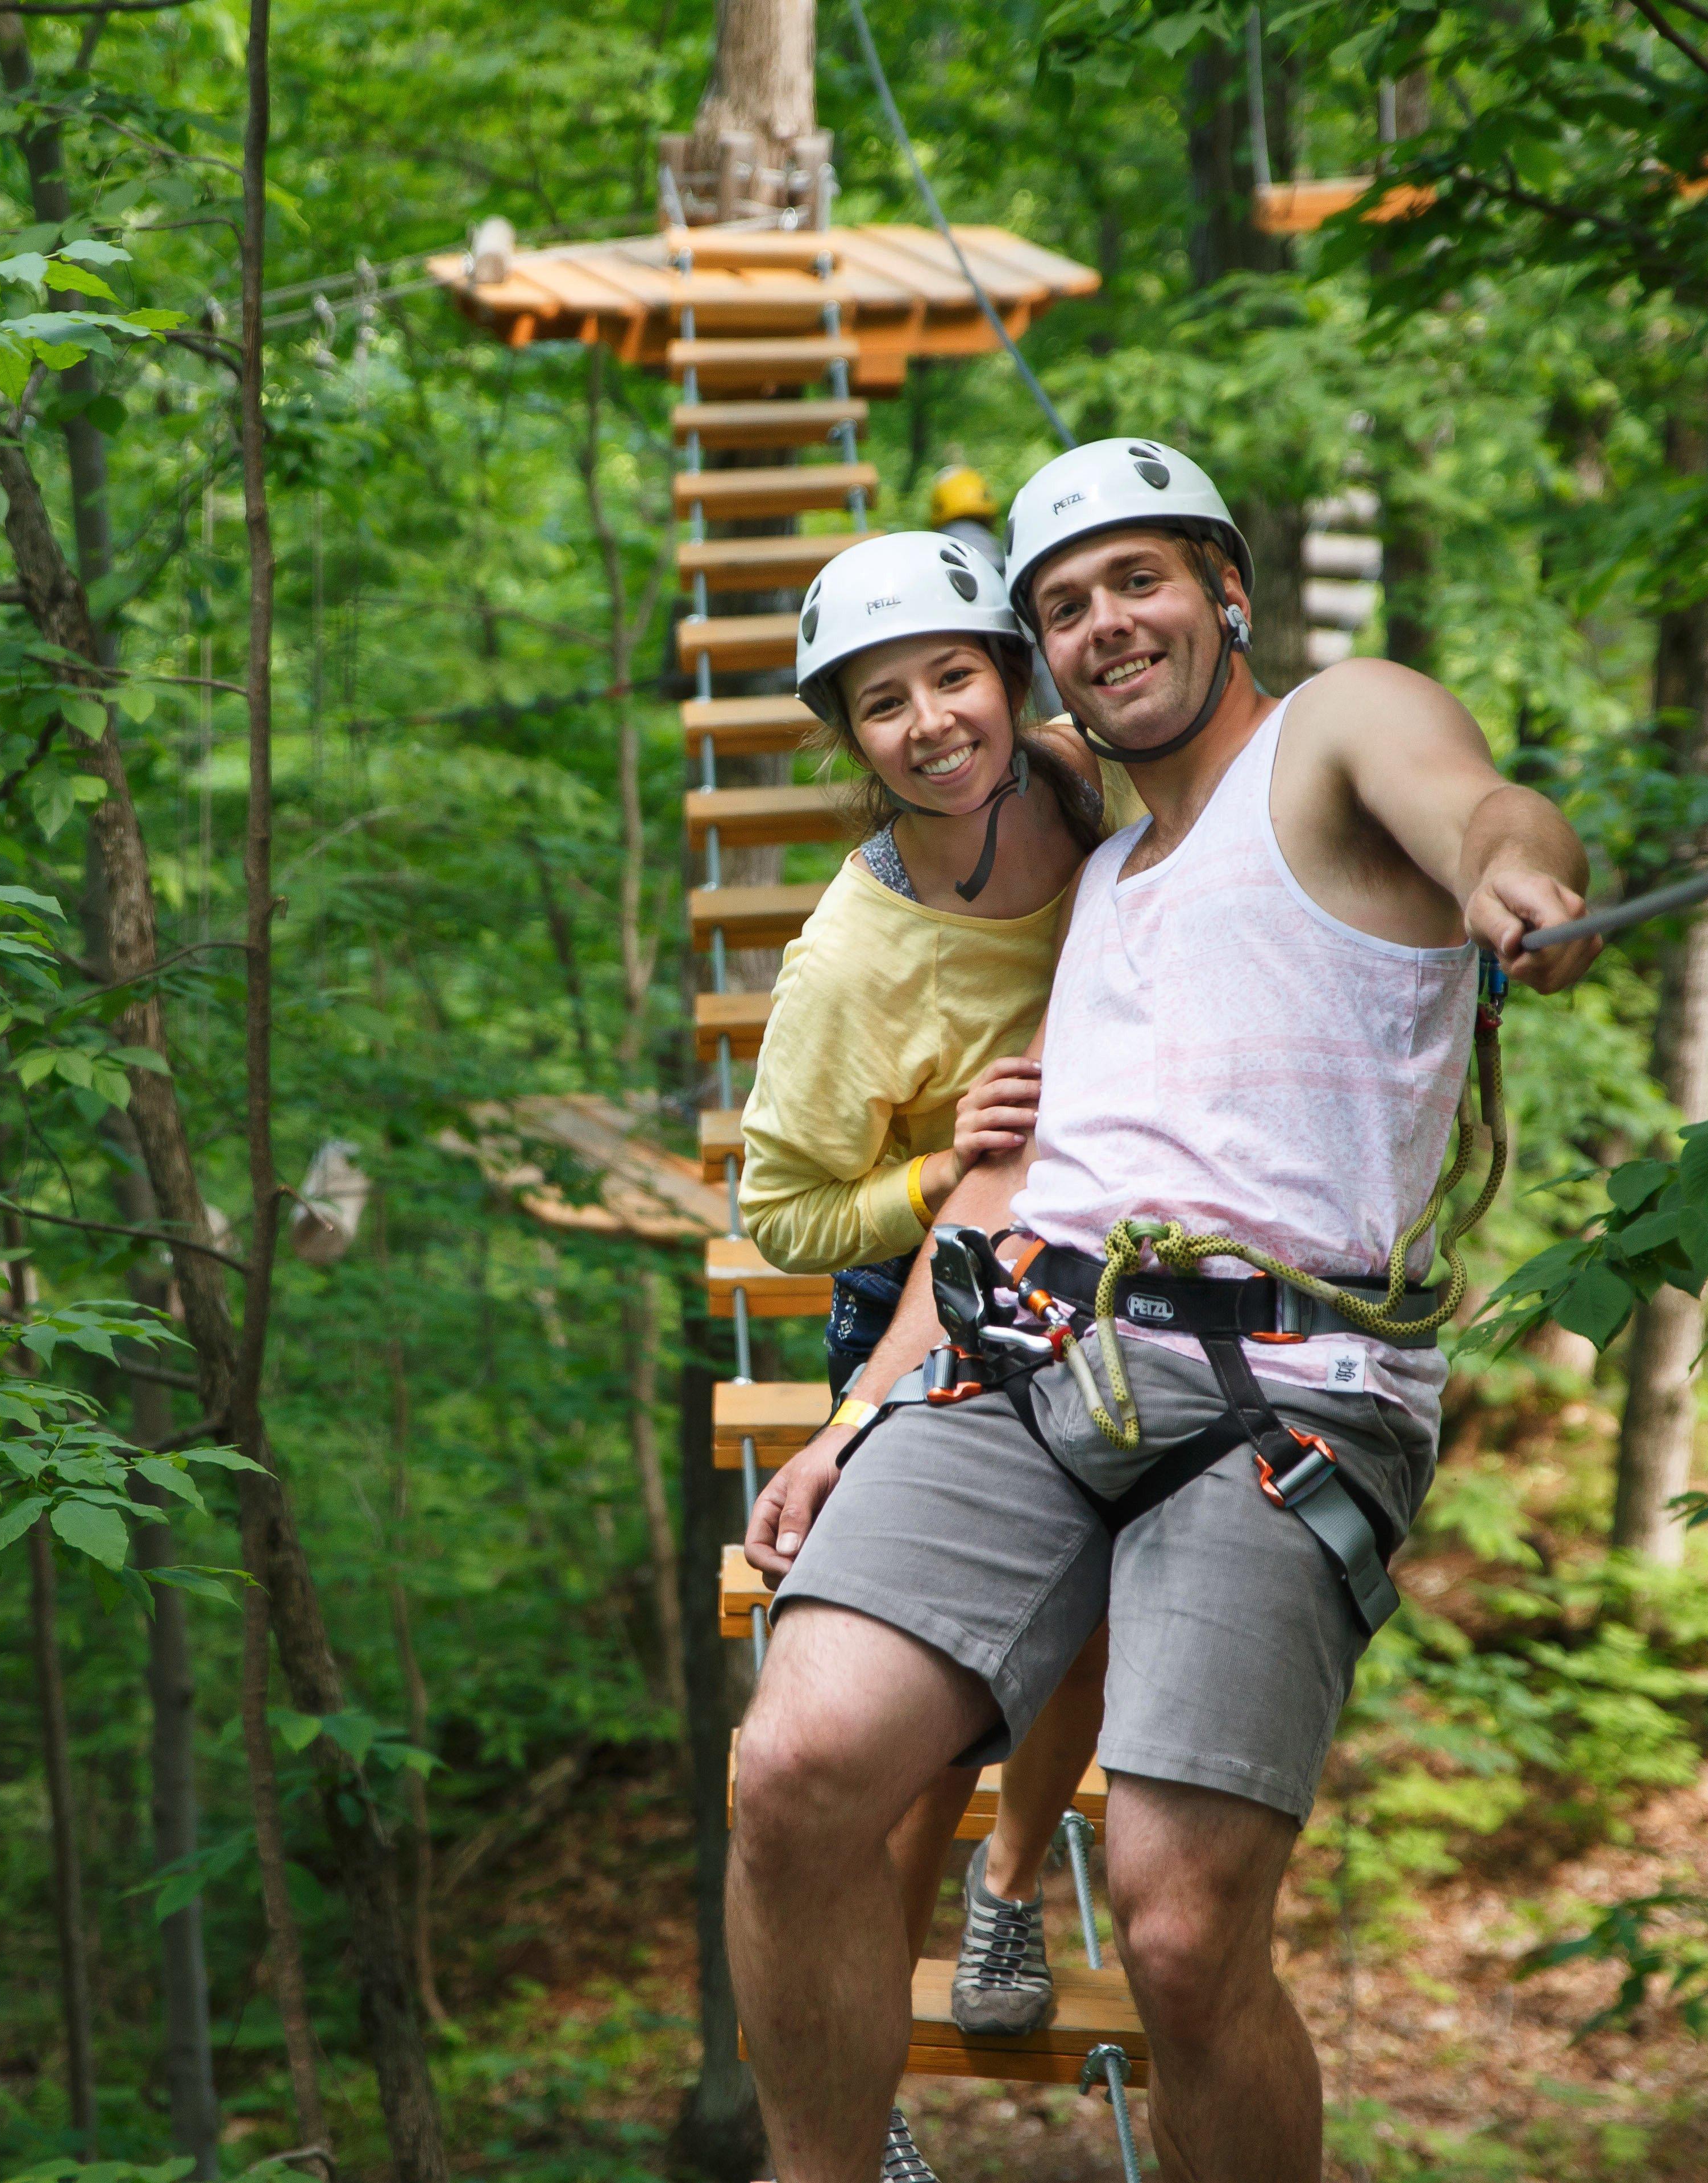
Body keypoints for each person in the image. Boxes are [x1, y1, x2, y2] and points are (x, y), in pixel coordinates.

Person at [725, 439, 1606, 2183]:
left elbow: (1475, 804)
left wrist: (1519, 874)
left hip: (1291, 1389)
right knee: (795, 1766)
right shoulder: (1105, 882)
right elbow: (1003, 1189)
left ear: (1229, 591)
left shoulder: (1335, 736)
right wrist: (851, 1420)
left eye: (1141, 578)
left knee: (1185, 1938)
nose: (1106, 623)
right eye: (1064, 606)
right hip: (1028, 1346)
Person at [736, 529, 1141, 2183]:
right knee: (908, 1702)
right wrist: (923, 1170)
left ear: (1014, 682)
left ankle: (1009, 1888)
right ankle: (867, 2053)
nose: (930, 724)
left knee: (1099, 1609)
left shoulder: (1067, 778)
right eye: (883, 705)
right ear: (850, 743)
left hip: (1102, 1242)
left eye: (954, 677)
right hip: (925, 1292)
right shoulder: (851, 962)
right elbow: (779, 1208)